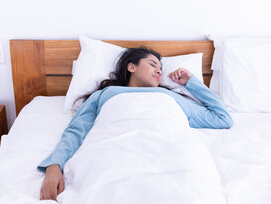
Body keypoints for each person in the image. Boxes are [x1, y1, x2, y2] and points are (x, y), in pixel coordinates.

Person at [38, 47, 233, 201]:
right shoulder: (106, 94)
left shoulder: (169, 96)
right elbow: (76, 130)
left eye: (161, 68)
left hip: (172, 148)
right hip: (112, 149)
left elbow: (222, 119)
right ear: (132, 67)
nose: (159, 70)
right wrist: (54, 167)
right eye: (153, 64)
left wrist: (191, 82)